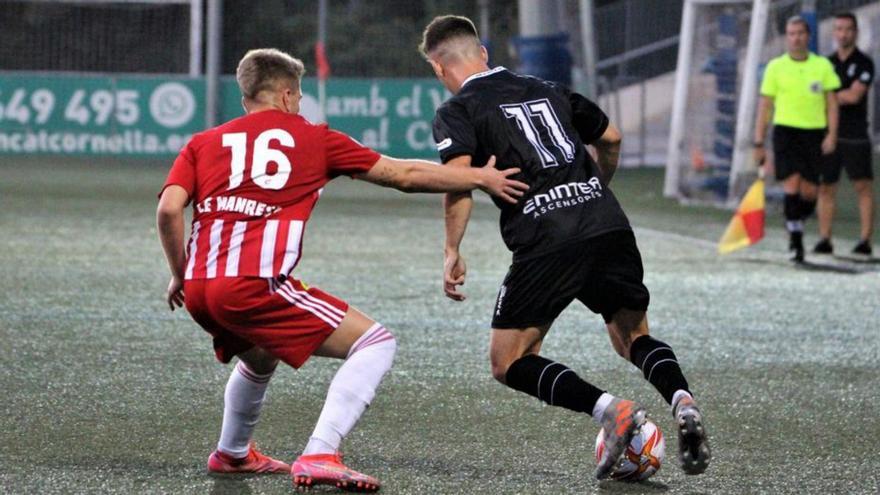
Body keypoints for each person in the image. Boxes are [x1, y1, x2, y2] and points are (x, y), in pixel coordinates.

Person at [156, 48, 528, 492]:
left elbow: (169, 209)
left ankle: (232, 454)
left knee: (259, 352)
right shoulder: (313, 138)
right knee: (375, 342)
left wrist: (180, 272)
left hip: (200, 288)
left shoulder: (202, 142)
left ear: (246, 97)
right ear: (289, 95)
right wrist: (479, 178)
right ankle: (320, 453)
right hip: (252, 285)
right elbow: (404, 174)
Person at [419, 15, 710, 479]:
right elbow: (610, 138)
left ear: (438, 69)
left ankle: (610, 410)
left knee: (509, 360)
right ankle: (682, 399)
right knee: (632, 336)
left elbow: (458, 183)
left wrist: (451, 250)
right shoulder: (548, 86)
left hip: (546, 238)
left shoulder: (457, 110)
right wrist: (596, 189)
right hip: (607, 222)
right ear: (484, 53)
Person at [754, 16, 841, 262]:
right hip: (785, 132)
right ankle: (796, 241)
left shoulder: (822, 66)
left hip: (813, 133)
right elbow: (765, 106)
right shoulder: (775, 67)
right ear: (786, 37)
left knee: (811, 192)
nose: (796, 38)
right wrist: (759, 141)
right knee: (791, 185)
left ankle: (795, 221)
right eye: (791, 34)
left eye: (800, 33)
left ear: (808, 36)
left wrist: (832, 134)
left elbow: (832, 104)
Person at [814, 12, 874, 256]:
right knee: (826, 187)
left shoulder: (864, 63)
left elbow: (854, 96)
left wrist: (829, 96)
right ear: (834, 33)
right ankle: (825, 239)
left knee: (862, 187)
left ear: (855, 32)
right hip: (830, 134)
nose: (843, 34)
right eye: (838, 29)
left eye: (848, 29)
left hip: (855, 134)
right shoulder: (825, 64)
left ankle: (865, 241)